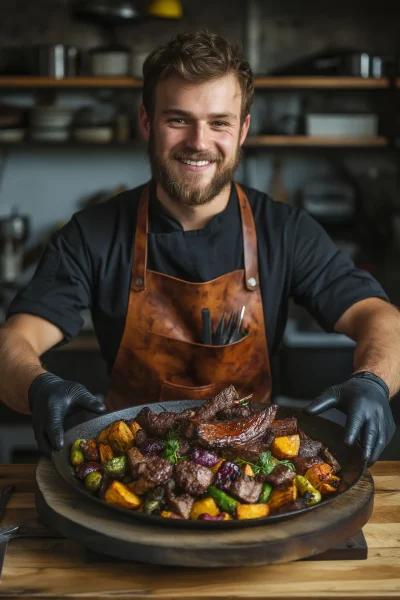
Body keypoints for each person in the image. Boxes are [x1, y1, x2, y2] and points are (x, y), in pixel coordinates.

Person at [0, 31, 398, 465]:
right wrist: (38, 385)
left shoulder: (285, 231)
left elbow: (379, 317)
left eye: (219, 122)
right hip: (132, 467)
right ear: (147, 122)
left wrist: (374, 380)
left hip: (253, 473)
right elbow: (14, 340)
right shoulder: (92, 233)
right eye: (178, 119)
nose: (199, 142)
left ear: (242, 129)